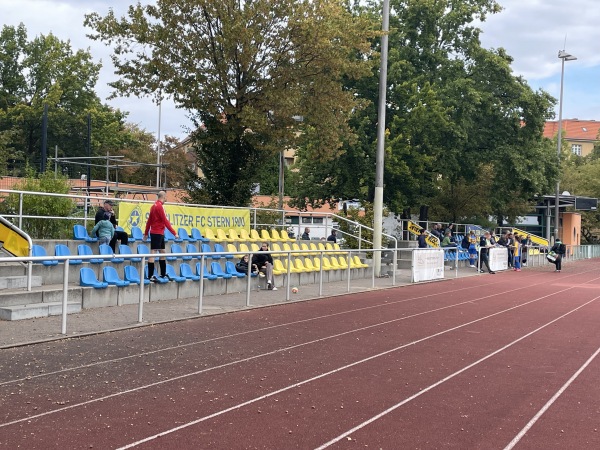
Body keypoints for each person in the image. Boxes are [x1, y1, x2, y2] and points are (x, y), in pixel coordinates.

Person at [143, 191, 179, 282]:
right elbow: (165, 221)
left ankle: (163, 274)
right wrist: (174, 233)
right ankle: (150, 275)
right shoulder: (159, 206)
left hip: (159, 232)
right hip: (157, 232)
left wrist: (146, 233)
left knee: (163, 252)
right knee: (153, 252)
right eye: (166, 197)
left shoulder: (153, 206)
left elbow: (149, 221)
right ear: (164, 197)